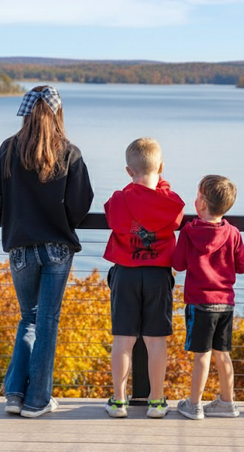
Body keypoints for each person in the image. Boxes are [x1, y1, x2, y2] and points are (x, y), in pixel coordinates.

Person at [0, 85, 93, 418]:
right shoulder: (69, 152)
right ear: (58, 113)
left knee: (28, 320)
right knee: (46, 322)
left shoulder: (8, 149)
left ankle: (15, 395)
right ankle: (38, 401)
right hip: (57, 247)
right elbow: (80, 206)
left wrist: (16, 216)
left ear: (26, 113)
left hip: (20, 247)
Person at [103, 137, 185, 418]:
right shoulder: (171, 202)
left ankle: (118, 400)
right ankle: (157, 401)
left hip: (125, 274)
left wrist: (131, 188)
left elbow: (112, 217)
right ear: (161, 166)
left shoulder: (119, 199)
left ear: (129, 171)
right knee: (156, 340)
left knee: (123, 339)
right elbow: (173, 215)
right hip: (157, 275)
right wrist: (161, 186)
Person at [172, 175, 244, 420]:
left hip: (200, 303)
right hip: (225, 303)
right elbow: (242, 266)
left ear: (202, 204)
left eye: (197, 196)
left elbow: (178, 264)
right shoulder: (233, 233)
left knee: (201, 356)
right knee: (222, 354)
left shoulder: (188, 232)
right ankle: (228, 402)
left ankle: (194, 404)